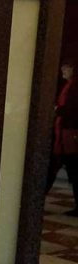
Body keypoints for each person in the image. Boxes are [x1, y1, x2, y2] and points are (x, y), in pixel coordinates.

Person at [46, 61, 78, 216]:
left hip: (68, 136)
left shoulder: (73, 87)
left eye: (67, 67)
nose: (63, 69)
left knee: (69, 170)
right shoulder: (69, 86)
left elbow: (71, 110)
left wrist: (58, 109)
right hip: (63, 134)